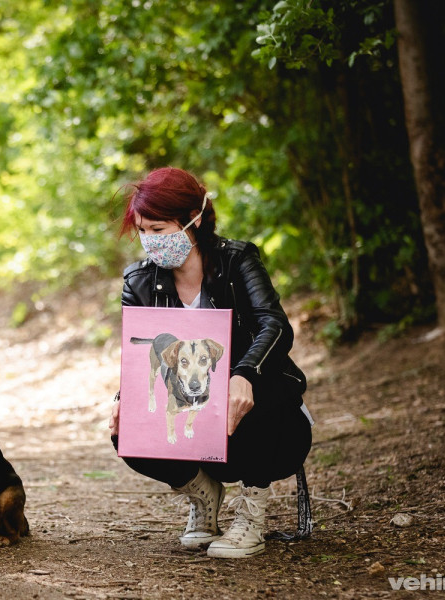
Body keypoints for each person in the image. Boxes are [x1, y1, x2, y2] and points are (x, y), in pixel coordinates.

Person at [108, 167, 313, 559]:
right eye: (143, 231)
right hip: (193, 412)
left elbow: (275, 325)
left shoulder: (237, 261)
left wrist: (243, 373)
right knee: (128, 426)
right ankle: (204, 495)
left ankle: (251, 515)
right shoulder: (138, 281)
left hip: (263, 421)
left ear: (194, 219)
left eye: (159, 229)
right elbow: (138, 355)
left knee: (258, 386)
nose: (150, 242)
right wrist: (124, 397)